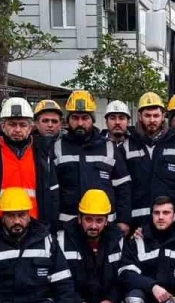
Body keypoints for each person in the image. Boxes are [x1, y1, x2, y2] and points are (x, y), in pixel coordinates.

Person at [0, 97, 59, 241]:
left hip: (36, 227)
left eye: (22, 125)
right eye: (12, 124)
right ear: (2, 125)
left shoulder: (43, 152)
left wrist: (52, 227)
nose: (18, 130)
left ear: (31, 127)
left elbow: (53, 193)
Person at [57, 189, 129, 303]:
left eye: (99, 220)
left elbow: (124, 276)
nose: (93, 225)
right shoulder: (62, 239)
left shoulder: (118, 239)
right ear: (79, 218)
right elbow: (59, 280)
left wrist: (111, 300)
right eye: (88, 219)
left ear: (107, 221)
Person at [54, 91, 131, 231]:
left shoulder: (109, 147)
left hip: (105, 227)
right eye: (75, 118)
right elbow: (51, 193)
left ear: (93, 119)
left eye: (85, 118)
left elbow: (123, 188)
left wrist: (124, 221)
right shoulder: (57, 147)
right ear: (68, 120)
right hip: (68, 227)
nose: (80, 123)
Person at [123, 92, 175, 229]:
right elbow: (123, 189)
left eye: (156, 115)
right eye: (147, 116)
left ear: (163, 117)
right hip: (137, 223)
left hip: (173, 223)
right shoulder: (127, 145)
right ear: (139, 117)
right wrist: (125, 221)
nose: (152, 120)